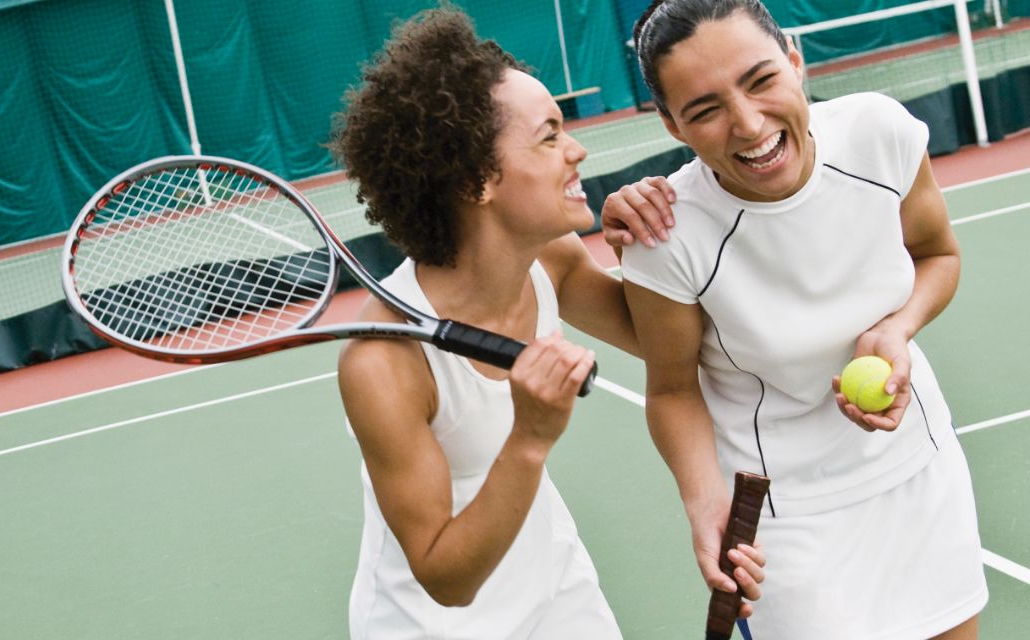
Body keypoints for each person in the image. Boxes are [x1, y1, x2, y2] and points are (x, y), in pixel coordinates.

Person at [329, 7, 764, 639]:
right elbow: (445, 577)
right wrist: (529, 439)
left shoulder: (550, 260)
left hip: (561, 600)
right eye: (550, 136)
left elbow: (667, 342)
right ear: (478, 179)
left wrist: (639, 250)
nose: (577, 149)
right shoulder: (384, 362)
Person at [602, 1, 989, 638]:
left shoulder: (879, 133)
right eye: (705, 109)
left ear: (795, 60)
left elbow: (937, 255)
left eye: (761, 80)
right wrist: (705, 508)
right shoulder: (666, 234)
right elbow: (672, 389)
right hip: (785, 517)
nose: (749, 124)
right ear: (672, 126)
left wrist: (899, 326)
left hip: (918, 468)